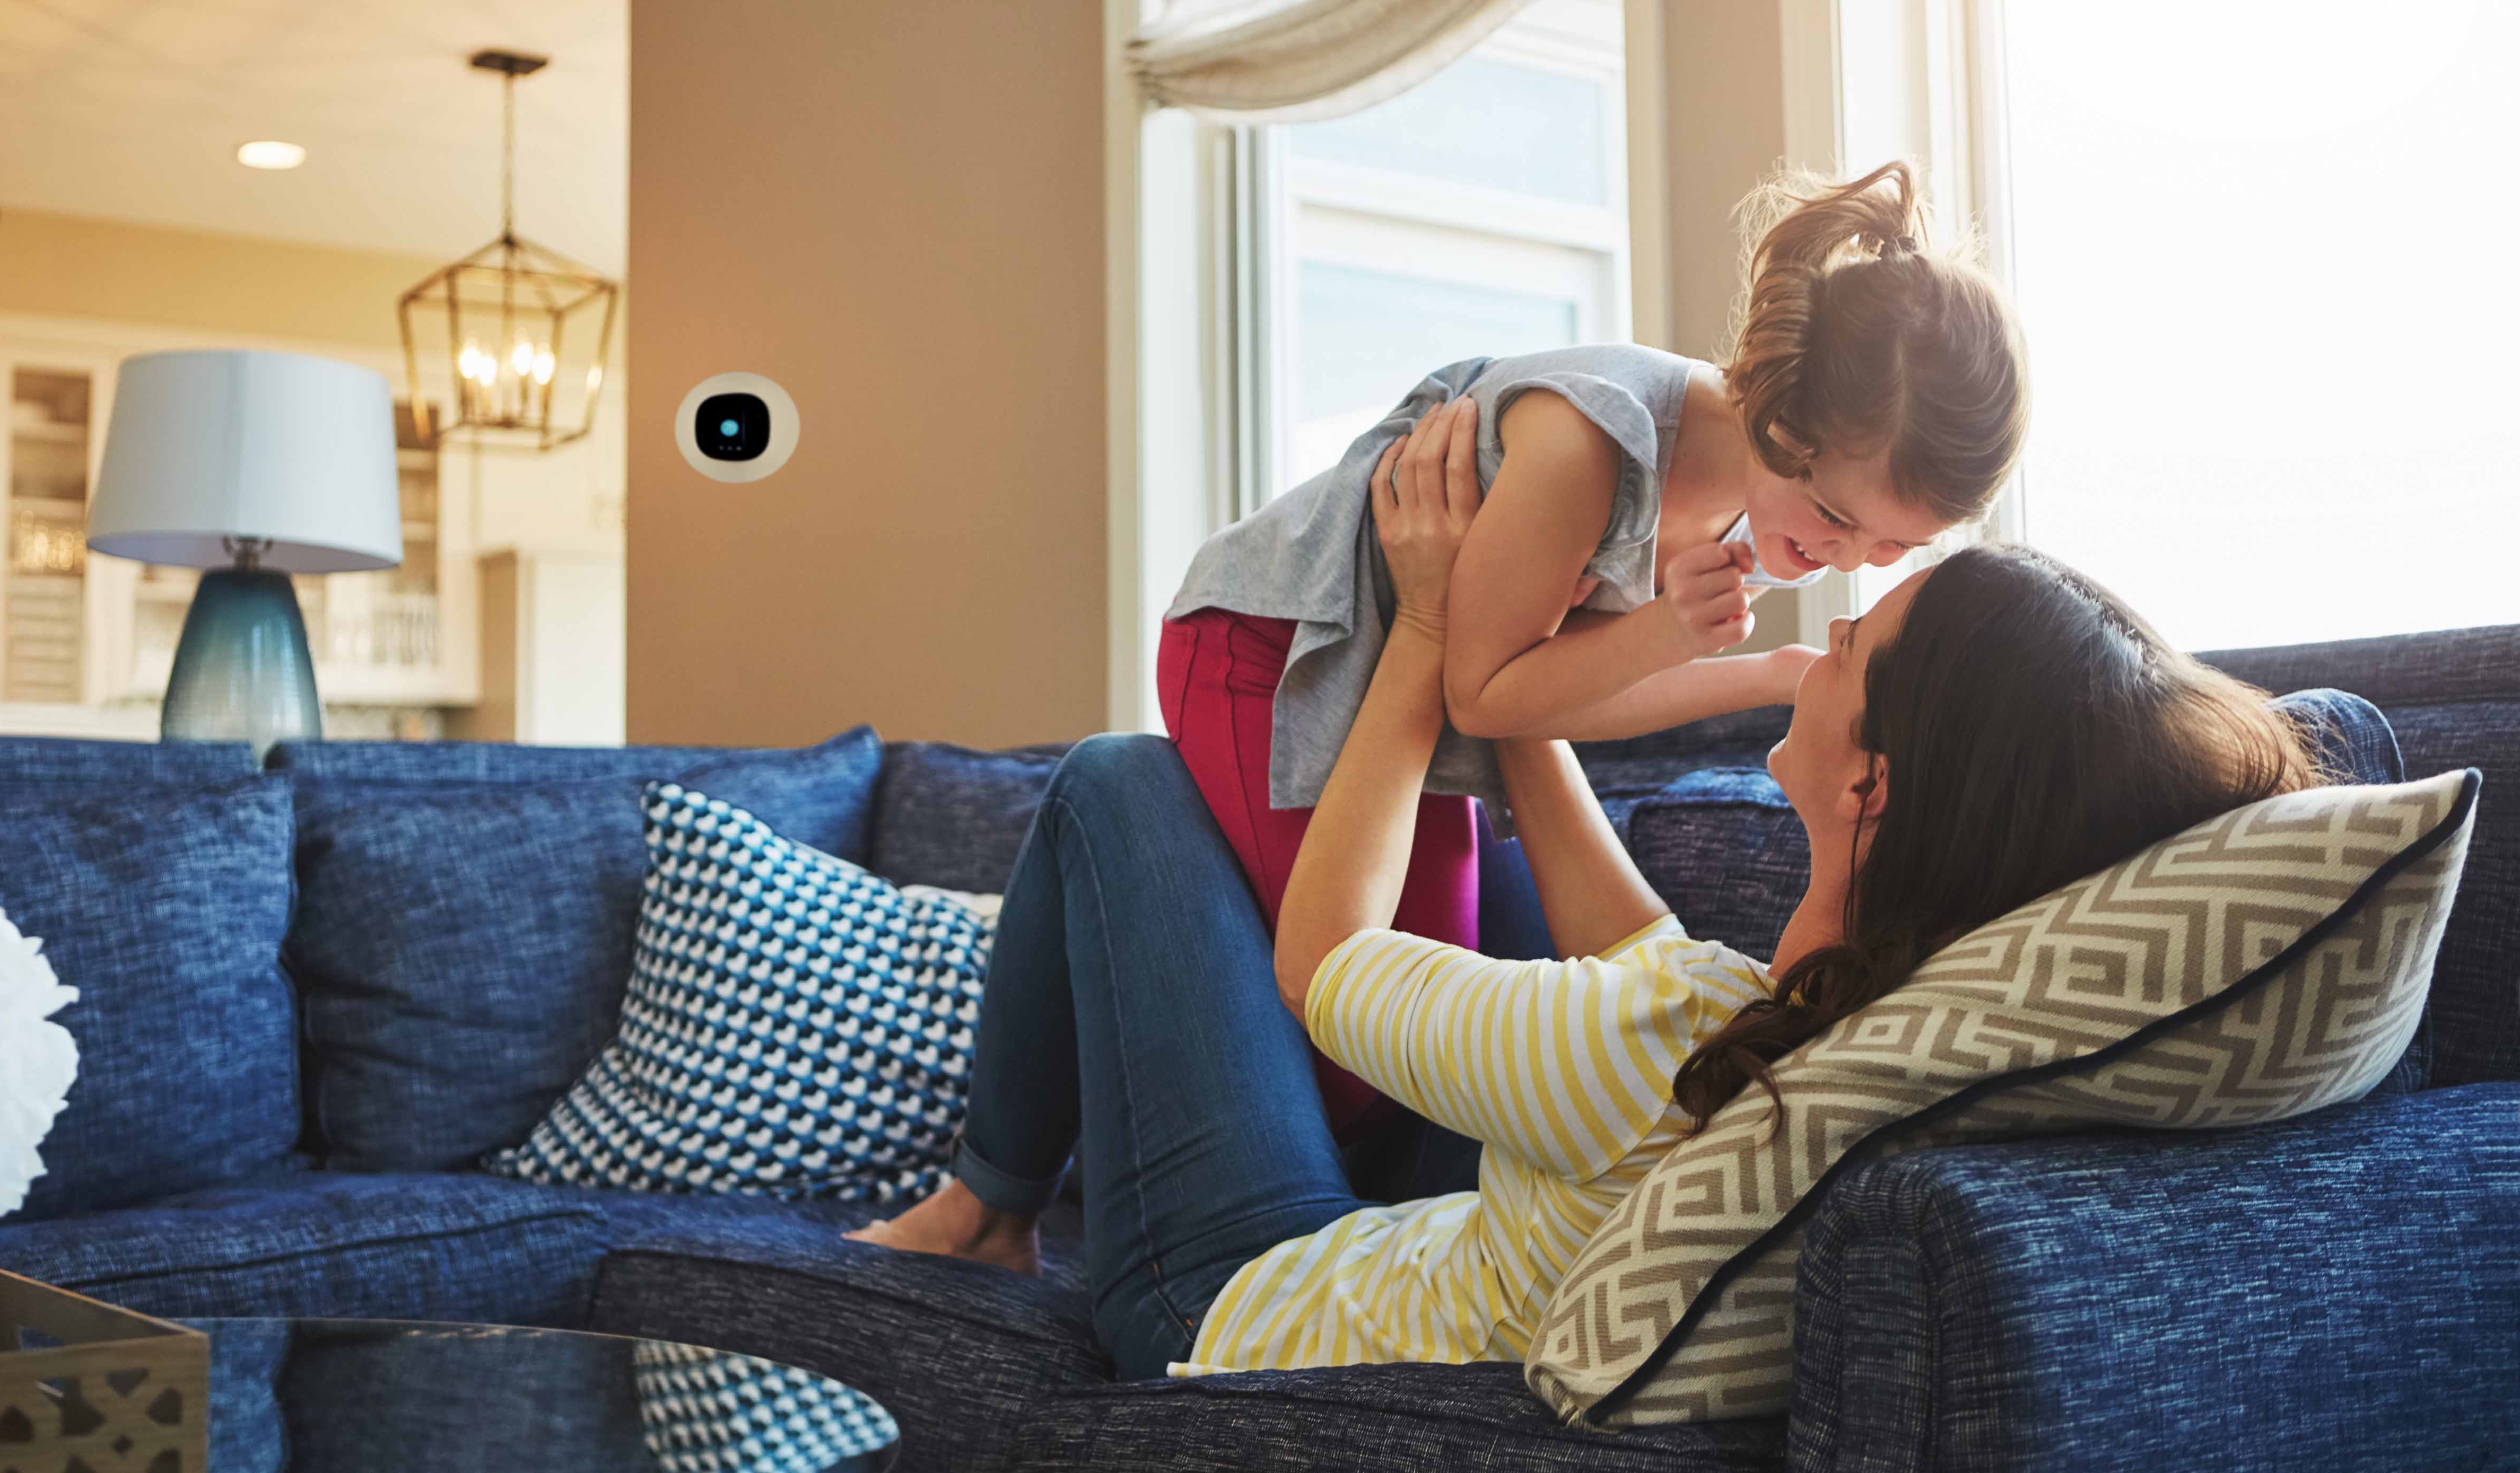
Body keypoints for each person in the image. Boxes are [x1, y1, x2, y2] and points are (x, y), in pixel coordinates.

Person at [851, 399, 2318, 1381]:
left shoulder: (1649, 1050)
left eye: (1858, 648)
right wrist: (1512, 695)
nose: (1828, 634)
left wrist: (1429, 630)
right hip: (1486, 1238)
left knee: (1121, 780)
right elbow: (1647, 971)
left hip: (1239, 1295)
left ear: (1869, 785)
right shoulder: (1847, 1025)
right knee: (1488, 855)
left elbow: (1327, 958)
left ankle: (991, 1201)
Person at [1157, 160, 2031, 1139]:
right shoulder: (1591, 447)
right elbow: (1487, 697)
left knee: (1416, 1038)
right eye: (1836, 516)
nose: (1849, 560)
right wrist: (1666, 635)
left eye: (1894, 546)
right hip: (1274, 653)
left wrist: (1776, 676)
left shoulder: (1748, 493)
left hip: (1409, 702)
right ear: (1774, 407)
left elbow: (1543, 697)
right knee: (1352, 1046)